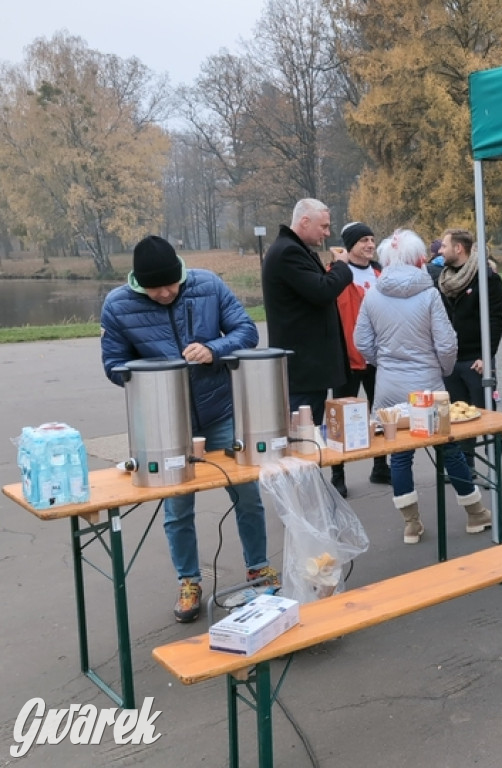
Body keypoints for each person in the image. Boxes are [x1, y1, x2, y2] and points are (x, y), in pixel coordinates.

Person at [100, 235, 278, 623]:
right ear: (137, 283)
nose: (165, 292)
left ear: (181, 271)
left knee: (247, 494)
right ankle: (189, 580)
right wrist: (158, 373)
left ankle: (259, 569)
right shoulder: (117, 306)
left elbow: (247, 332)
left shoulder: (208, 285)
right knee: (177, 506)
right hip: (166, 423)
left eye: (171, 283)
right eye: (155, 287)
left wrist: (214, 348)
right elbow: (114, 366)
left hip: (220, 411)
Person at [354, 229, 492, 545]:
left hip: (388, 386)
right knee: (448, 448)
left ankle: (411, 524)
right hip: (427, 384)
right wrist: (440, 370)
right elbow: (446, 343)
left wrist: (383, 363)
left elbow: (362, 341)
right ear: (417, 258)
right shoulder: (429, 294)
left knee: (400, 455)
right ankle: (474, 513)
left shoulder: (373, 294)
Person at [262, 199, 354, 496]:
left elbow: (314, 287)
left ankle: (307, 493)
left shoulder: (295, 250)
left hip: (308, 365)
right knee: (304, 436)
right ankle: (303, 498)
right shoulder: (288, 252)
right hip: (303, 366)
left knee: (307, 434)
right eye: (323, 226)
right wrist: (341, 267)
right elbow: (321, 291)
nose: (327, 233)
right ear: (304, 222)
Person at [436, 228, 502, 467]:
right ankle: (466, 469)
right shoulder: (444, 280)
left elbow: (497, 320)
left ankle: (493, 467)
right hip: (451, 362)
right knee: (457, 419)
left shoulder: (487, 279)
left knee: (487, 416)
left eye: (444, 246)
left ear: (458, 248)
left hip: (477, 360)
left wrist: (487, 355)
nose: (439, 250)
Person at [334, 221, 390, 487]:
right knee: (341, 419)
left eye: (371, 239)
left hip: (378, 357)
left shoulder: (381, 273)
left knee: (380, 413)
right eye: (363, 241)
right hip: (346, 358)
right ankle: (338, 475)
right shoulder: (337, 274)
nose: (369, 245)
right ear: (350, 246)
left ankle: (381, 466)